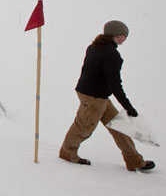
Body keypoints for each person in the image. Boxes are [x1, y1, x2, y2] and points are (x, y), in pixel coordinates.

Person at [59, 20, 156, 172]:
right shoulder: (111, 55)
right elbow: (115, 85)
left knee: (119, 127)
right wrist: (128, 107)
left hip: (97, 95)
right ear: (117, 36)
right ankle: (67, 152)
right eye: (125, 35)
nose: (126, 38)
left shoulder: (94, 47)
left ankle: (134, 160)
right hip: (93, 97)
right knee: (84, 127)